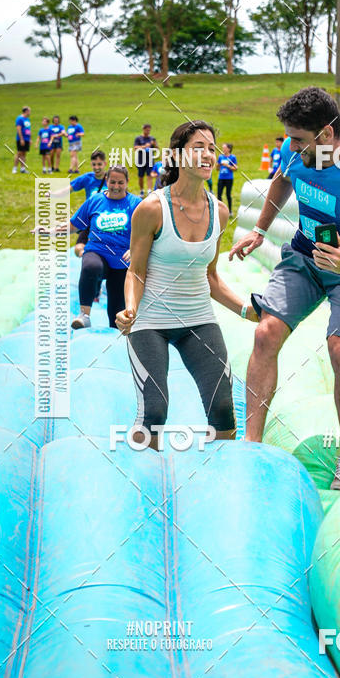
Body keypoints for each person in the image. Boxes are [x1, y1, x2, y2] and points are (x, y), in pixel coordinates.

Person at [230, 87, 340, 490]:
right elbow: (280, 181)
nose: (289, 146)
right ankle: (252, 442)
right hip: (306, 257)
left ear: (326, 135)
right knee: (265, 331)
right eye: (288, 137)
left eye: (298, 138)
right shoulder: (297, 153)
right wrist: (259, 231)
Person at [116, 120, 258, 450]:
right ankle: (146, 482)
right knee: (155, 410)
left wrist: (244, 309)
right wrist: (130, 309)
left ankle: (218, 476)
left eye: (212, 148)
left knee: (222, 408)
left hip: (198, 320)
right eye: (199, 147)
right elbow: (135, 271)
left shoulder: (220, 212)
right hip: (150, 322)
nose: (208, 154)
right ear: (178, 157)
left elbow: (210, 277)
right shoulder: (151, 209)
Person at [68, 166, 141, 328]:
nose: (116, 186)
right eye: (112, 182)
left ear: (127, 182)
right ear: (106, 181)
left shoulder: (136, 204)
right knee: (90, 266)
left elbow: (150, 231)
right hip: (97, 252)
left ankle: (116, 337)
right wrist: (49, 232)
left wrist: (136, 249)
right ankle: (84, 315)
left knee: (117, 312)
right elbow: (74, 225)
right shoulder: (95, 200)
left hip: (122, 261)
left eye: (120, 182)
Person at [134, 123, 158, 196]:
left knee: (149, 175)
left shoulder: (152, 138)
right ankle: (141, 191)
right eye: (147, 130)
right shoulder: (138, 138)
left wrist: (154, 144)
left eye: (149, 130)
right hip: (141, 160)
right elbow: (135, 148)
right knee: (140, 176)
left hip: (150, 160)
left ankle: (149, 191)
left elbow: (157, 149)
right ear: (143, 129)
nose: (148, 132)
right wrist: (144, 146)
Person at [216, 142, 238, 215]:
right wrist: (218, 165)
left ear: (229, 149)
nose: (223, 149)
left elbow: (235, 168)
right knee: (219, 194)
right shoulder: (220, 157)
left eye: (224, 148)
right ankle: (220, 211)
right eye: (223, 148)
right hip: (221, 178)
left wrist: (227, 166)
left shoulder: (232, 157)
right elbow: (217, 168)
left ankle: (230, 211)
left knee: (228, 195)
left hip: (229, 178)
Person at [13, 106, 31, 173]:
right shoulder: (19, 119)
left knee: (24, 153)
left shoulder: (27, 119)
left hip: (27, 138)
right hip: (21, 139)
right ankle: (14, 168)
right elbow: (18, 129)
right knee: (19, 153)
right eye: (29, 111)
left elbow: (29, 129)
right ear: (26, 111)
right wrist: (21, 139)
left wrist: (30, 139)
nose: (30, 112)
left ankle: (23, 169)